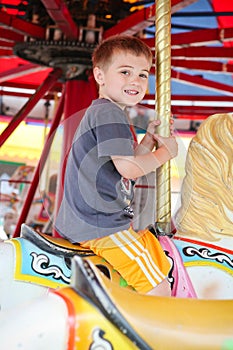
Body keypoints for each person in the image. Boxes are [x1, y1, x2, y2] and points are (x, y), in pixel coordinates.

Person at [55, 35, 178, 296]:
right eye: (125, 72)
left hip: (91, 220)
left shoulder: (106, 112)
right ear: (100, 75)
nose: (135, 80)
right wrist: (166, 154)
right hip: (101, 225)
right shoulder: (109, 113)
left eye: (143, 74)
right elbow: (129, 169)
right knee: (159, 288)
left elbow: (125, 168)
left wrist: (148, 142)